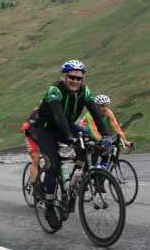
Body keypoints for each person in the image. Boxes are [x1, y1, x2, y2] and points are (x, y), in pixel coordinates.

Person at [31, 60, 111, 228]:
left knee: (90, 143)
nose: (75, 81)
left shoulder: (85, 92)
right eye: (71, 77)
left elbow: (96, 114)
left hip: (67, 125)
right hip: (47, 129)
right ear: (64, 76)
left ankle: (73, 188)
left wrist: (105, 136)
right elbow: (59, 117)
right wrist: (69, 137)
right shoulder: (55, 91)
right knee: (52, 166)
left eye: (79, 78)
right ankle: (49, 206)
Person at [80, 94, 133, 168]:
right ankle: (93, 167)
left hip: (98, 130)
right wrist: (102, 140)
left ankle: (102, 170)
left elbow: (117, 128)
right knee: (96, 146)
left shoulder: (108, 112)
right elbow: (93, 130)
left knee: (106, 148)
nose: (104, 108)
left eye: (106, 105)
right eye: (102, 106)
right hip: (86, 130)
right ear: (96, 106)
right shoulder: (90, 114)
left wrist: (125, 141)